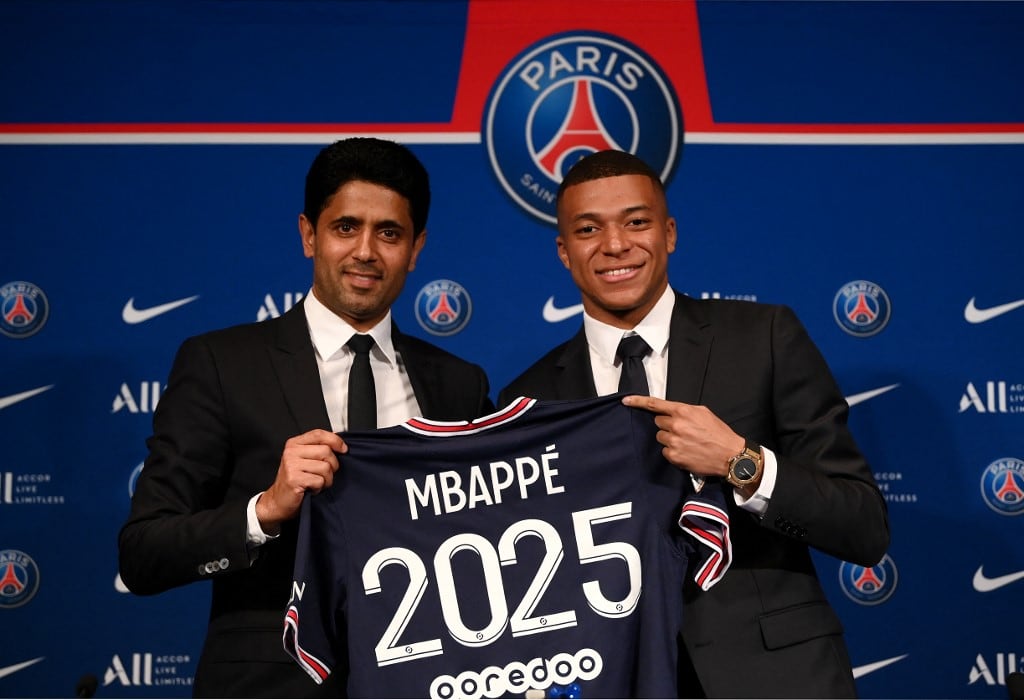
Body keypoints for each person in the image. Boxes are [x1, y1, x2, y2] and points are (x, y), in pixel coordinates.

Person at [498, 150, 890, 698]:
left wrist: (741, 462)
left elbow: (864, 528)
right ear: (564, 251)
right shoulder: (526, 399)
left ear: (670, 233)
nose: (615, 245)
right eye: (589, 229)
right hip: (616, 679)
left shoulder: (764, 338)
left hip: (775, 678)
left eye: (637, 222)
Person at [119, 137, 494, 698]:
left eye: (389, 233)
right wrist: (264, 511)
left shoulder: (460, 384)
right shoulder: (223, 364)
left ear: (416, 249)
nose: (366, 251)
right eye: (346, 227)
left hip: (426, 680)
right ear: (308, 235)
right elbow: (143, 554)